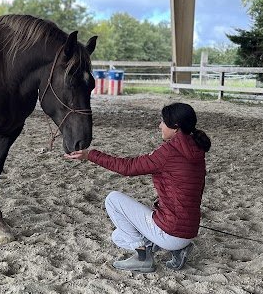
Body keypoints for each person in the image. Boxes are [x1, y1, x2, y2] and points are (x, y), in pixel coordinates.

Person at [64, 102, 211, 272]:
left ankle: (143, 257)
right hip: (188, 230)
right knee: (118, 236)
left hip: (171, 231)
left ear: (176, 127)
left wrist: (91, 155)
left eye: (163, 122)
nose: (160, 126)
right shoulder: (197, 150)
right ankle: (177, 248)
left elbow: (128, 167)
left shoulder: (169, 152)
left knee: (113, 199)